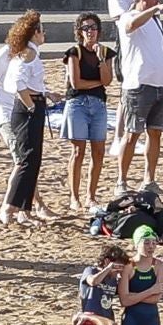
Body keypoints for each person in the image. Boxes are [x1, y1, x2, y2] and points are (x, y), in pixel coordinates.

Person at [114, 0, 163, 193]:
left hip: (159, 83)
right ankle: (121, 180)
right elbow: (131, 25)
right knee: (132, 134)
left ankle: (149, 179)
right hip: (138, 84)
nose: (157, 0)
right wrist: (154, 10)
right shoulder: (128, 16)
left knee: (155, 133)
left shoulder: (155, 22)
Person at [0, 14, 50, 226]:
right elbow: (18, 83)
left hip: (33, 105)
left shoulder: (29, 52)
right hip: (27, 109)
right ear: (35, 33)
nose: (44, 34)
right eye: (41, 30)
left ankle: (25, 210)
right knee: (27, 160)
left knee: (34, 160)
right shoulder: (28, 53)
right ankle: (9, 207)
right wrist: (30, 105)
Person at [60, 13, 115, 210]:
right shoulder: (75, 52)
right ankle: (74, 196)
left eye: (93, 27)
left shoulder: (106, 52)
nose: (90, 31)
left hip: (99, 104)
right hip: (78, 104)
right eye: (85, 28)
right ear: (79, 32)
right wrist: (97, 83)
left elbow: (108, 80)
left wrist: (101, 61)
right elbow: (76, 83)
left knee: (98, 151)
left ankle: (91, 195)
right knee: (78, 151)